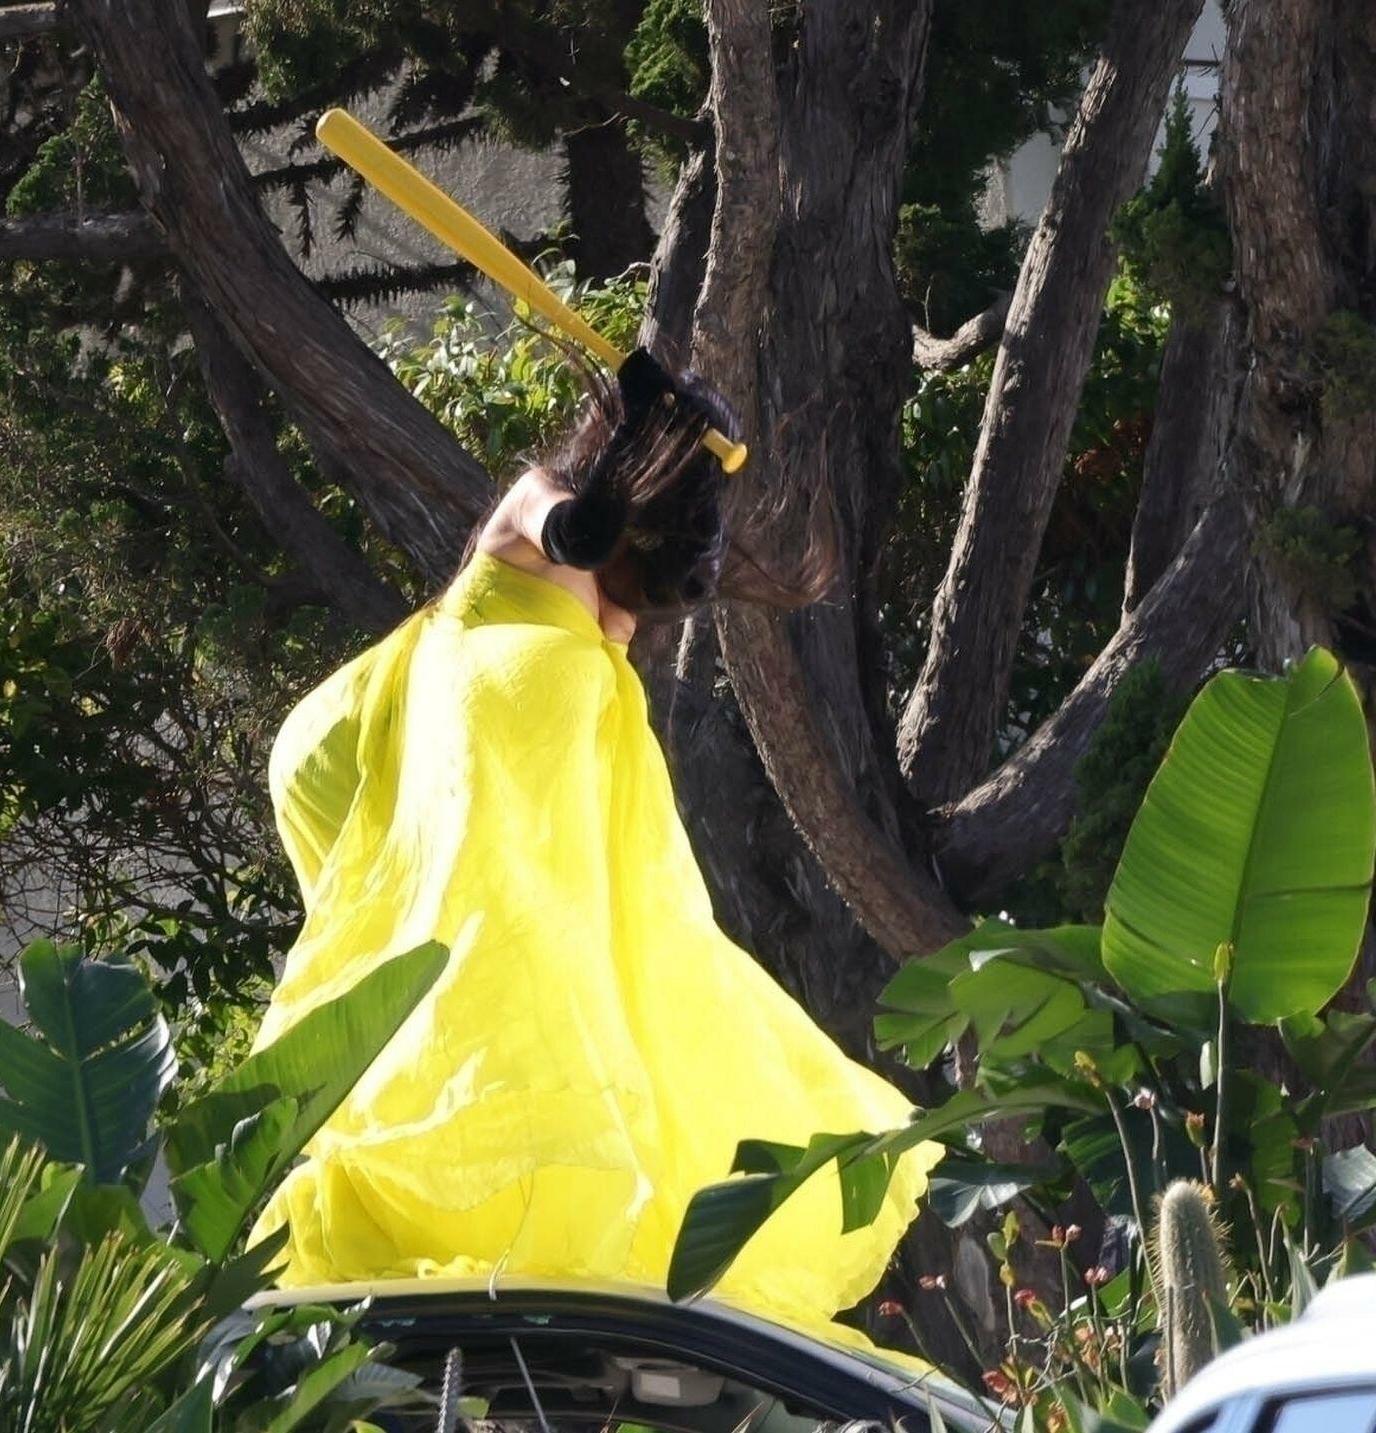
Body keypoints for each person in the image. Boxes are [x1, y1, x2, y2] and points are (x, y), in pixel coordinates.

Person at [247, 348, 940, 1347]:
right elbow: (548, 516)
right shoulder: (545, 517)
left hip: (461, 805)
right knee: (467, 972)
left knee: (633, 975)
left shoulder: (614, 609)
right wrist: (607, 481)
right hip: (368, 750)